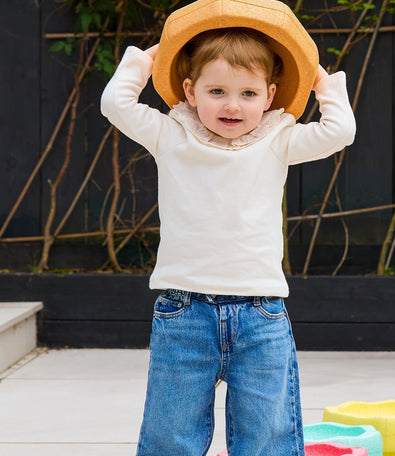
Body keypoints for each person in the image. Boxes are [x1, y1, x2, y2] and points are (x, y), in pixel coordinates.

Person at [101, 25, 356, 456]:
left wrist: (323, 81)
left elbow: (338, 132)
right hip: (184, 312)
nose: (233, 105)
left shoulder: (277, 140)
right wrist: (152, 56)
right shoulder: (171, 134)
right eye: (216, 90)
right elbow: (116, 104)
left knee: (268, 436)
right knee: (171, 435)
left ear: (270, 96)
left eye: (249, 94)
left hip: (261, 314)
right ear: (190, 90)